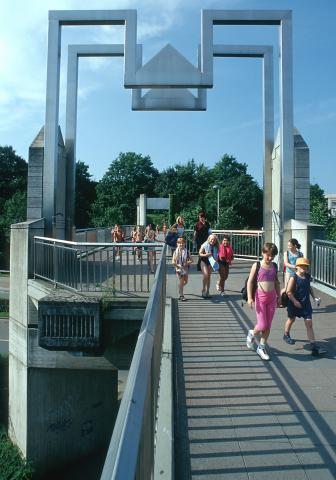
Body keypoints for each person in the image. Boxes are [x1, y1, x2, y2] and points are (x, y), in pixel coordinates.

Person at [283, 257, 325, 354]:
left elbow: (309, 287)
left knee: (309, 323)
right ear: (297, 267)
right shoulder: (294, 277)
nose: (304, 268)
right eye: (302, 266)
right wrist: (294, 301)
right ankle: (286, 334)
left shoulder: (307, 276)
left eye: (306, 266)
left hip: (305, 303)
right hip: (294, 303)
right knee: (291, 319)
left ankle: (313, 345)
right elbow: (288, 292)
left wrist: (314, 297)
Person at [246, 242, 281, 361]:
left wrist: (279, 296)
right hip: (260, 297)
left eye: (272, 255)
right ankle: (251, 333)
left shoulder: (274, 266)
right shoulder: (257, 265)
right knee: (262, 324)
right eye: (268, 255)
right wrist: (250, 297)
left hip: (272, 297)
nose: (270, 257)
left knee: (268, 325)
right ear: (263, 253)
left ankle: (261, 347)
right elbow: (250, 282)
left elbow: (276, 282)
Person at [198, 234, 219, 299]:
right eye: (211, 239)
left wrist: (216, 261)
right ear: (209, 239)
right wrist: (206, 255)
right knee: (206, 275)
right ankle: (203, 290)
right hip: (204, 260)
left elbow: (217, 255)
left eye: (214, 240)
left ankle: (207, 291)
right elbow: (200, 254)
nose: (212, 241)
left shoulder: (216, 247)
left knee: (209, 277)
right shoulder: (204, 245)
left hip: (211, 262)